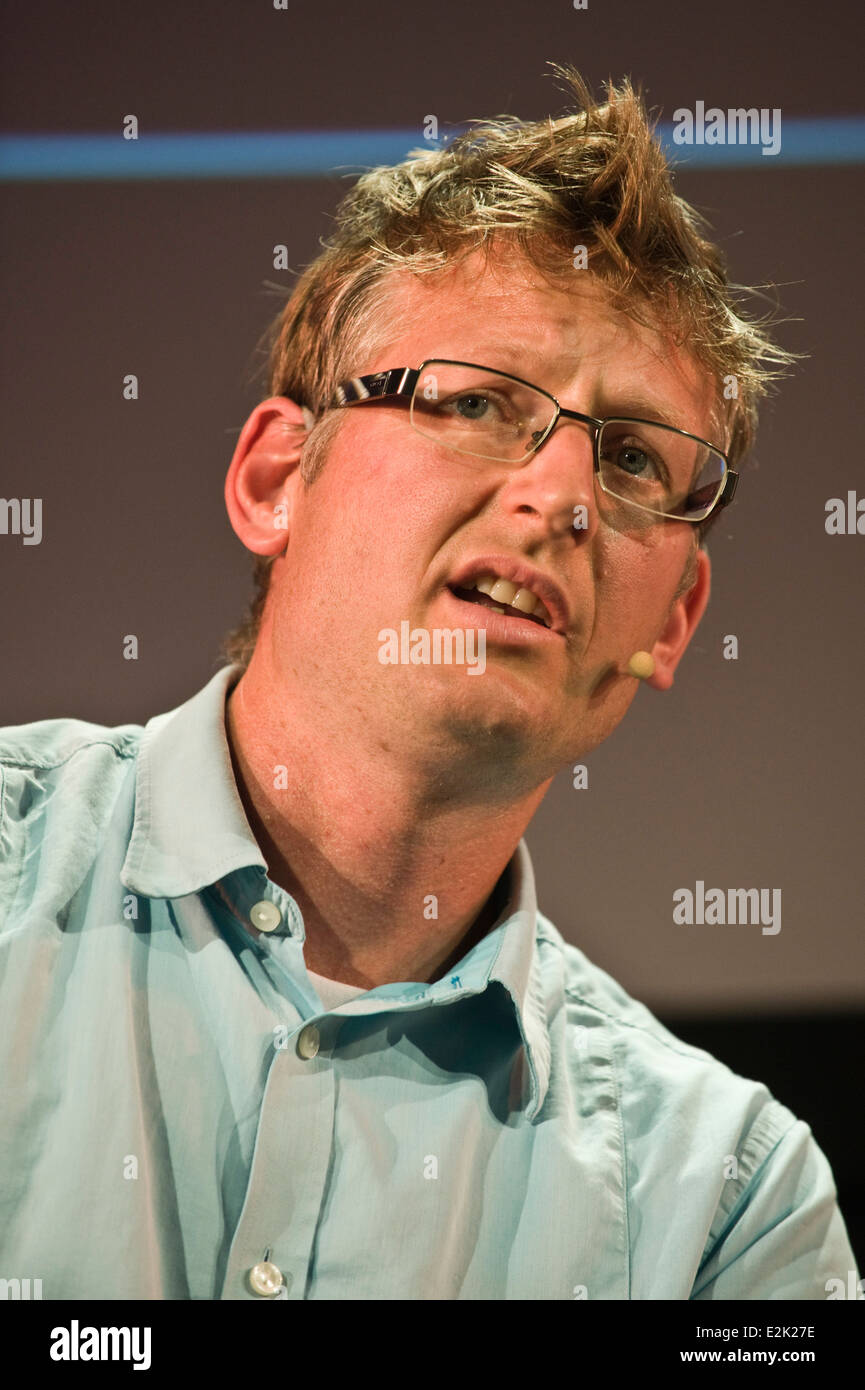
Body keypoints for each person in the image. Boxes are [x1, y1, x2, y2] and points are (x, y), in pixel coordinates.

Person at [0, 67, 858, 1301]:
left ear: (671, 621)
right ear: (274, 479)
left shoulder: (726, 1211)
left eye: (629, 459)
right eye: (475, 400)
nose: (561, 498)